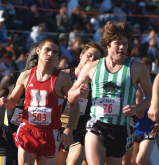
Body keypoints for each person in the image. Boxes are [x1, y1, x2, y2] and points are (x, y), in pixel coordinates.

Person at [68, 21, 152, 165]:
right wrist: (77, 93)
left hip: (121, 129)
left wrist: (136, 108)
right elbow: (70, 95)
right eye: (118, 43)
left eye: (125, 43)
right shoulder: (91, 67)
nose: (122, 47)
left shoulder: (137, 68)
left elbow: (151, 98)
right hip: (96, 124)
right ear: (107, 44)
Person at [0, 37, 78, 165]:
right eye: (48, 50)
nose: (51, 54)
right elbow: (12, 101)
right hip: (28, 129)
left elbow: (74, 104)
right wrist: (5, 101)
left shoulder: (62, 78)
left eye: (55, 52)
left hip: (50, 133)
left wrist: (68, 129)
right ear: (38, 50)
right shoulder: (25, 76)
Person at [0, 44, 38, 165]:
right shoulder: (12, 78)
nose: (36, 62)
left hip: (29, 136)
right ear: (27, 56)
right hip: (7, 135)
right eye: (34, 57)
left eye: (39, 60)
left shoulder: (43, 85)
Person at [56, 41, 105, 165]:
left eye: (96, 58)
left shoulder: (98, 84)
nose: (91, 59)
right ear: (81, 56)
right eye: (89, 55)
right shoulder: (63, 75)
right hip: (57, 128)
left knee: (73, 162)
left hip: (81, 131)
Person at [131, 58, 159, 165]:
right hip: (133, 130)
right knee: (133, 162)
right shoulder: (132, 86)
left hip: (149, 130)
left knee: (140, 160)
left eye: (146, 71)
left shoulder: (154, 87)